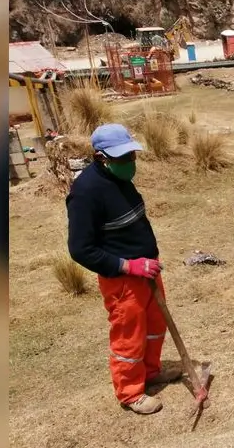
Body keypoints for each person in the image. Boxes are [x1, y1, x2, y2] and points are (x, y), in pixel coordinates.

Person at [66, 123, 180, 415]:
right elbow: (80, 249)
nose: (130, 162)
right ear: (100, 157)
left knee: (154, 327)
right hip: (123, 280)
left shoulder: (121, 179)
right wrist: (128, 265)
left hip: (148, 271)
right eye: (122, 158)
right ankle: (130, 392)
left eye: (132, 155)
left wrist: (147, 260)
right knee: (129, 336)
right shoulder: (86, 192)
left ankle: (150, 371)